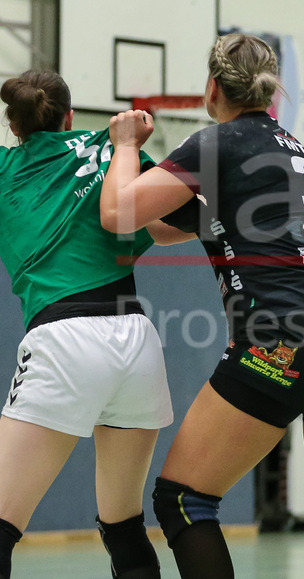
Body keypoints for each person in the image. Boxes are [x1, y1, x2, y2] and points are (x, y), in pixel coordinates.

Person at [99, 34, 304, 578]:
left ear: (212, 87)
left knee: (184, 498)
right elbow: (164, 225)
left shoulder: (217, 142)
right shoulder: (289, 147)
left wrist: (125, 146)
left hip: (285, 334)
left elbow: (119, 216)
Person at [0, 70, 184, 578]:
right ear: (70, 116)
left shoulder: (4, 167)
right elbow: (166, 226)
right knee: (123, 524)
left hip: (64, 338)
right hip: (136, 341)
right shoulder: (111, 148)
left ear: (13, 126)